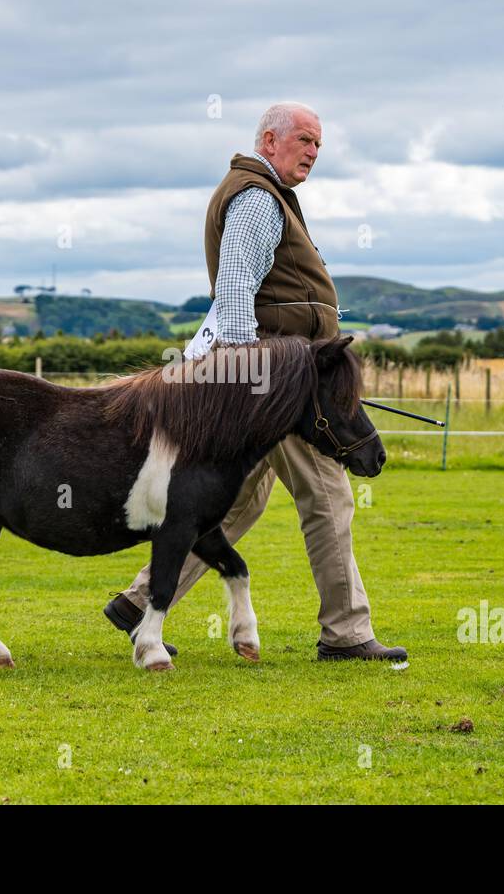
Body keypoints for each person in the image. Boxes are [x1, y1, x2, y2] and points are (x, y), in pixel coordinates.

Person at [102, 101, 407, 662]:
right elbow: (237, 286)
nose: (314, 153)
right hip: (276, 385)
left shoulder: (266, 195)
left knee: (238, 503)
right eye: (305, 141)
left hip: (276, 380)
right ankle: (346, 634)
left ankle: (139, 603)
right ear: (270, 140)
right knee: (329, 497)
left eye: (319, 145)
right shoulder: (256, 198)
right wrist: (251, 377)